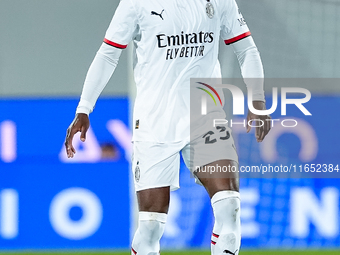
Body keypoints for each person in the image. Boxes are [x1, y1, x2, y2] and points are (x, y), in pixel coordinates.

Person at [65, 0, 271, 254]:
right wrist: (84, 108)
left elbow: (246, 49)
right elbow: (108, 54)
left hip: (206, 116)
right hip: (155, 122)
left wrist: (257, 98)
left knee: (229, 204)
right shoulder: (135, 4)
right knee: (151, 226)